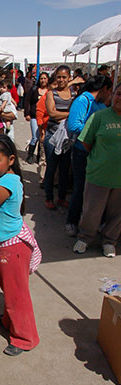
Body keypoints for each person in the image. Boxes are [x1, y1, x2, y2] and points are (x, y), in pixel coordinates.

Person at [0, 135, 41, 356]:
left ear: (11, 159)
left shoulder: (3, 185)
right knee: (11, 290)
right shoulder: (7, 179)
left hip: (11, 248)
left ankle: (25, 338)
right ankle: (8, 320)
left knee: (16, 295)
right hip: (6, 245)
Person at [73, 82, 121, 258]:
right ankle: (85, 238)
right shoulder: (99, 117)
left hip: (119, 180)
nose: (120, 98)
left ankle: (109, 241)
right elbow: (86, 141)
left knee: (117, 214)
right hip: (99, 174)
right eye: (118, 94)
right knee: (92, 210)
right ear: (112, 95)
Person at [65, 75, 113, 236]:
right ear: (105, 88)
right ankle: (72, 221)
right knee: (81, 188)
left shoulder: (100, 104)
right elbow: (73, 125)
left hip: (98, 153)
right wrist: (96, 131)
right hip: (82, 152)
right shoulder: (83, 101)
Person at [43, 65, 74, 210]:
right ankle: (49, 197)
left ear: (69, 78)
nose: (61, 80)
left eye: (64, 77)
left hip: (67, 138)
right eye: (59, 77)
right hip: (52, 136)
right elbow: (52, 113)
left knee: (64, 169)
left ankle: (61, 198)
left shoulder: (74, 93)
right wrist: (70, 114)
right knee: (51, 168)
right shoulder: (51, 94)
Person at [24, 72, 49, 164]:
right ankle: (30, 155)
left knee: (42, 137)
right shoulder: (34, 89)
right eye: (41, 78)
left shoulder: (50, 91)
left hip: (46, 118)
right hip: (34, 116)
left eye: (45, 78)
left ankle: (39, 155)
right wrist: (27, 113)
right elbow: (27, 101)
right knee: (35, 137)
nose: (43, 80)